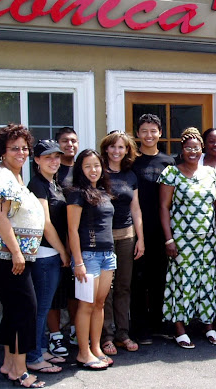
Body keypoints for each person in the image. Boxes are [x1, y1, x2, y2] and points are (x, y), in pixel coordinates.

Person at [0, 124, 46, 387]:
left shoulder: (13, 177)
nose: (21, 152)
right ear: (2, 152)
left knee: (14, 309)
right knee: (26, 309)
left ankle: (8, 363)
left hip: (10, 255)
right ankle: (19, 371)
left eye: (25, 148)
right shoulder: (1, 176)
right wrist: (16, 252)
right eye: (14, 148)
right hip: (5, 255)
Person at [159, 127, 216, 349]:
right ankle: (180, 328)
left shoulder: (211, 173)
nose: (193, 152)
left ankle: (209, 326)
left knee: (208, 282)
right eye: (189, 148)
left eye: (197, 148)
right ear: (182, 150)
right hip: (182, 240)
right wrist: (169, 239)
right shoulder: (171, 173)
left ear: (202, 149)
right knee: (182, 282)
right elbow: (164, 207)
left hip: (207, 238)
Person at [66, 149, 115, 370]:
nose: (93, 170)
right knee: (85, 306)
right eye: (87, 166)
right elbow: (72, 230)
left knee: (99, 304)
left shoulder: (104, 192)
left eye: (96, 165)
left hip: (107, 255)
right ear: (80, 169)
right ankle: (83, 352)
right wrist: (78, 262)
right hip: (88, 256)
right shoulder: (77, 193)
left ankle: (96, 348)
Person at [25, 140, 71, 374]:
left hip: (52, 254)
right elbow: (45, 223)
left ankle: (41, 349)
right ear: (36, 160)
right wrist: (63, 250)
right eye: (48, 157)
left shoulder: (53, 183)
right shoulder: (37, 185)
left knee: (43, 306)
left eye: (57, 157)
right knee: (41, 309)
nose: (54, 161)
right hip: (44, 255)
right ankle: (33, 357)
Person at [131, 114, 176, 344]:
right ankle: (140, 328)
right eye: (144, 130)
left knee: (161, 278)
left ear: (160, 133)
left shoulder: (168, 162)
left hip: (162, 230)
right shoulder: (132, 162)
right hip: (137, 230)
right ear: (137, 134)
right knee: (138, 280)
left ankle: (160, 323)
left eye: (153, 130)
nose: (149, 135)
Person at [99, 131, 144, 354]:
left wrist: (140, 239)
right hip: (103, 237)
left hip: (127, 236)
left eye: (121, 147)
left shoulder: (130, 175)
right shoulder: (99, 173)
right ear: (106, 149)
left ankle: (122, 334)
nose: (117, 151)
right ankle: (106, 336)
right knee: (106, 288)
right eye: (113, 147)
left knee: (124, 286)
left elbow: (135, 208)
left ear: (127, 151)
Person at [47, 127, 79, 356]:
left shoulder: (82, 170)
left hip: (77, 239)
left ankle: (78, 330)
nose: (70, 145)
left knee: (75, 290)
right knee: (54, 292)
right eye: (65, 141)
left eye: (73, 141)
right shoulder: (52, 172)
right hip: (54, 240)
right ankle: (55, 336)